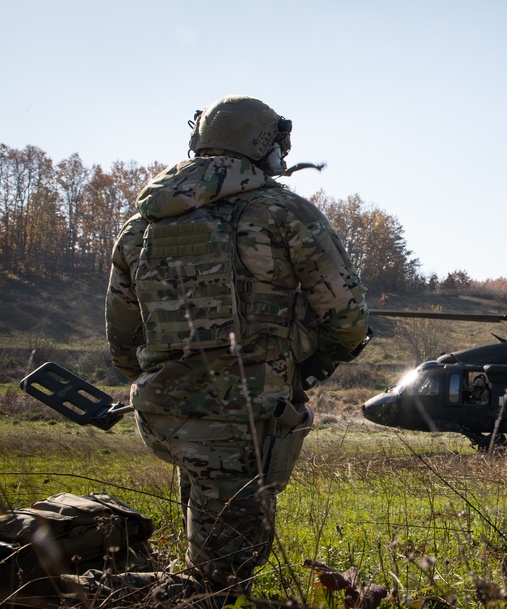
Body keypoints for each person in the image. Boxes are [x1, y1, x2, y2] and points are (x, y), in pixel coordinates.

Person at [104, 95, 370, 601]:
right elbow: (349, 318)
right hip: (244, 418)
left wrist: (162, 376)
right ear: (265, 145)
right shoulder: (282, 212)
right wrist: (303, 369)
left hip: (163, 412)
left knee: (205, 537)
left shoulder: (142, 225)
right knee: (220, 580)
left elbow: (123, 336)